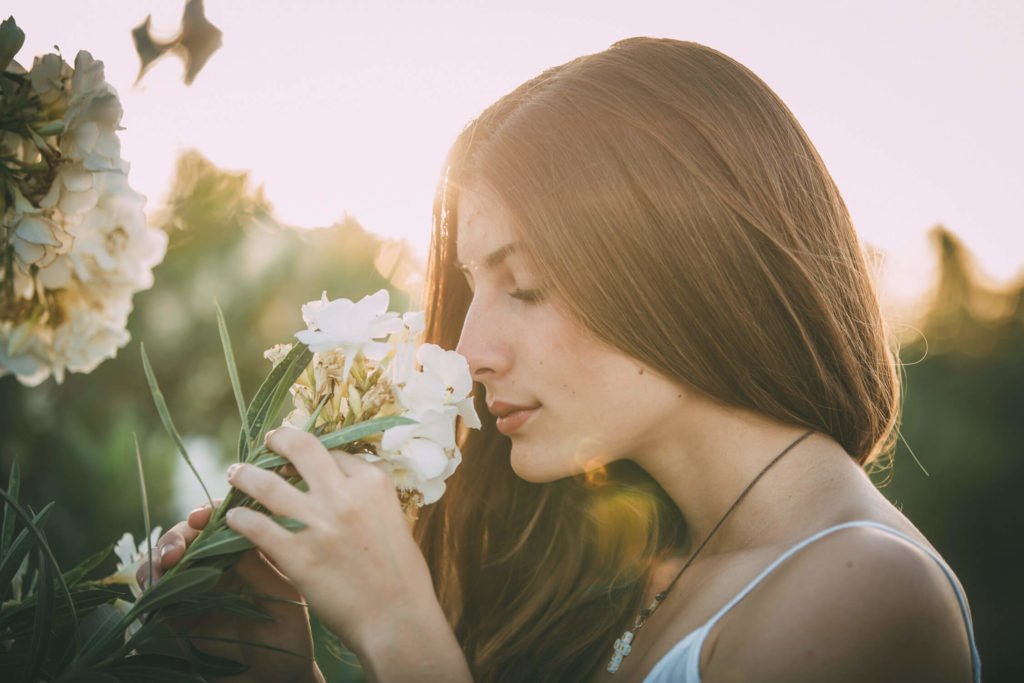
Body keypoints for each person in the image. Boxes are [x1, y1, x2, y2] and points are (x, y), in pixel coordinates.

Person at [144, 37, 982, 682]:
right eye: (475, 287)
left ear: (688, 267)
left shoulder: (865, 593)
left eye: (529, 286)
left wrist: (400, 629)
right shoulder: (640, 563)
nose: (469, 351)